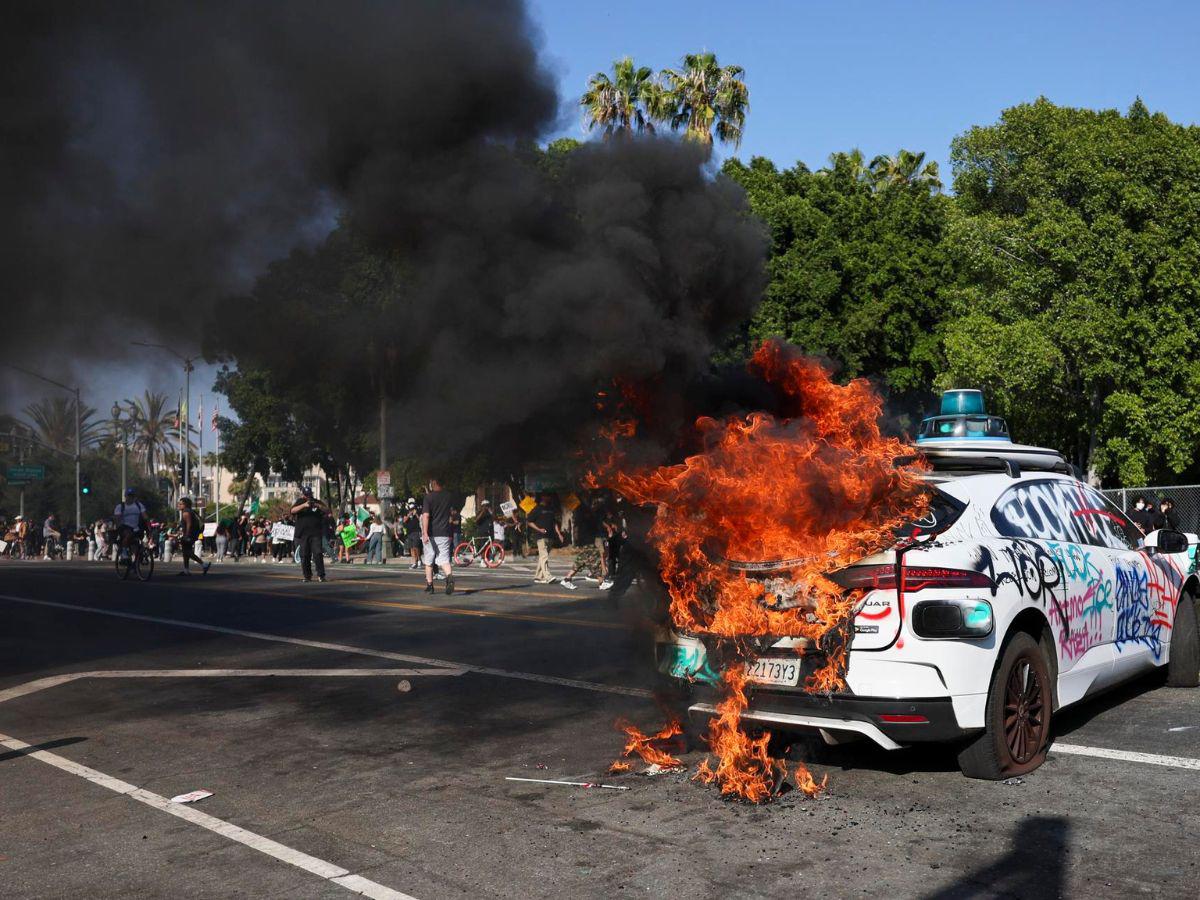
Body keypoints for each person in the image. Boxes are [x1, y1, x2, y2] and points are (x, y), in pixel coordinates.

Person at [420, 478, 455, 594]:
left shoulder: (428, 497)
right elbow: (451, 515)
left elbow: (426, 516)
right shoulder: (448, 496)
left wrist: (424, 533)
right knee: (444, 559)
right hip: (444, 532)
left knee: (429, 559)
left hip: (431, 533)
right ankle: (449, 577)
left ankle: (430, 585)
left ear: (433, 483)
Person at [290, 486, 329, 582]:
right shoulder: (300, 501)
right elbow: (292, 511)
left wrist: (317, 506)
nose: (308, 497)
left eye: (309, 494)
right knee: (304, 555)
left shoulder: (317, 502)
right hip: (303, 534)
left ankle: (321, 575)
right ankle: (307, 576)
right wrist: (304, 505)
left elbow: (327, 510)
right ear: (303, 494)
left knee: (318, 553)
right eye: (306, 495)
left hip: (316, 533)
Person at [528, 495, 563, 584]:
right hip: (541, 536)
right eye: (547, 495)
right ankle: (548, 576)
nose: (549, 497)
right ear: (543, 497)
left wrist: (559, 534)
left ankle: (538, 577)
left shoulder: (551, 509)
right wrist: (539, 529)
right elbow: (529, 521)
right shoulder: (537, 509)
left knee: (542, 557)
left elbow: (554, 523)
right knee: (544, 556)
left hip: (550, 536)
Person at [176, 497, 209, 575]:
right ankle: (186, 570)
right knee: (186, 552)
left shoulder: (186, 512)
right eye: (179, 504)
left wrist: (187, 535)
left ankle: (204, 564)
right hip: (193, 534)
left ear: (186, 504)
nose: (179, 505)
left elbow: (189, 524)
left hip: (189, 535)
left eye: (181, 504)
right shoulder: (191, 511)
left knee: (187, 552)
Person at [402, 499, 422, 569]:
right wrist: (409, 515)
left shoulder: (418, 510)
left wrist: (416, 514)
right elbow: (404, 520)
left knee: (416, 546)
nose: (411, 504)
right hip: (409, 531)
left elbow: (421, 519)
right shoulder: (406, 511)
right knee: (411, 548)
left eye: (412, 503)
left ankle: (419, 560)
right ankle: (414, 562)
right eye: (410, 503)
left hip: (416, 531)